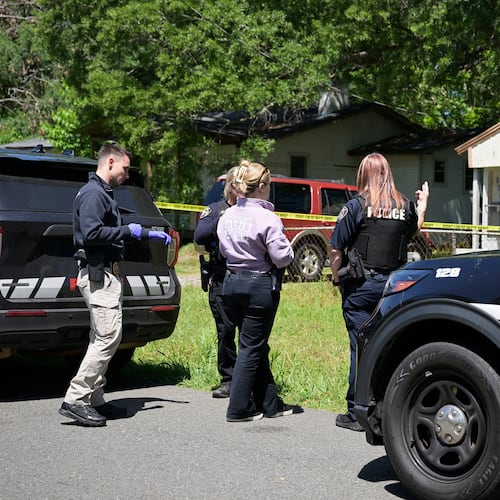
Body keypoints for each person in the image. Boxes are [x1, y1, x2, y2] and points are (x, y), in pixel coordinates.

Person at [59, 143, 171, 427]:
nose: (127, 174)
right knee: (108, 337)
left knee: (102, 337)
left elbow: (105, 228)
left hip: (107, 274)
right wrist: (127, 231)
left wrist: (144, 232)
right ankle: (76, 398)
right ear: (110, 162)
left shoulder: (103, 193)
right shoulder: (93, 194)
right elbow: (93, 233)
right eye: (124, 168)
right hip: (98, 274)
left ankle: (95, 399)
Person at [329, 152, 429, 432]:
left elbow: (336, 246)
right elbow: (414, 230)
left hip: (362, 288)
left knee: (360, 347)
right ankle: (393, 405)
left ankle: (356, 412)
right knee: (391, 346)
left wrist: (337, 276)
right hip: (395, 289)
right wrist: (422, 207)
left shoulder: (357, 206)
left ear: (363, 175)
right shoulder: (405, 205)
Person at [217, 160, 295, 422]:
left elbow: (222, 250)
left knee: (254, 344)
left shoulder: (227, 215)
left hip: (231, 284)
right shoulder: (267, 218)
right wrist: (290, 249)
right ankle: (238, 408)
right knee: (251, 347)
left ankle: (271, 404)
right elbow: (282, 257)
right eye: (269, 185)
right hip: (258, 285)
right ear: (261, 186)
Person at [194, 167, 239, 398]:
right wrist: (221, 222)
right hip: (221, 278)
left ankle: (248, 380)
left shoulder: (249, 210)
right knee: (226, 330)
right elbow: (199, 237)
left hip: (245, 278)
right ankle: (228, 378)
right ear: (231, 185)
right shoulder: (215, 210)